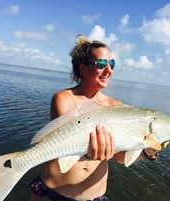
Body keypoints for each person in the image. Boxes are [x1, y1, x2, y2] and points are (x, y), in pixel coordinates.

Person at [29, 34, 158, 201]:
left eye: (111, 64)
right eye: (102, 64)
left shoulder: (116, 106)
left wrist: (148, 151)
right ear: (83, 68)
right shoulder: (64, 98)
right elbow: (65, 144)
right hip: (52, 194)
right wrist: (88, 154)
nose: (108, 70)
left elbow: (119, 157)